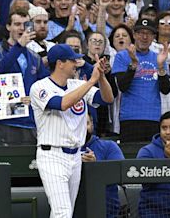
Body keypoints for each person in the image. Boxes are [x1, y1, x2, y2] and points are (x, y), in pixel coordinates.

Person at [30, 44, 113, 217]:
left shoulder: (77, 84)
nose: (77, 63)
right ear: (60, 63)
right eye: (72, 60)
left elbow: (107, 99)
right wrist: (91, 81)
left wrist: (101, 77)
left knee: (64, 212)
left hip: (76, 155)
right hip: (52, 155)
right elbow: (61, 104)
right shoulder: (39, 87)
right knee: (63, 212)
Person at [0, 9, 49, 145]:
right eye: (17, 24)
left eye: (25, 24)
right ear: (8, 27)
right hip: (6, 122)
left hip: (30, 123)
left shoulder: (35, 57)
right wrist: (19, 46)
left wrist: (34, 98)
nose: (22, 28)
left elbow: (44, 86)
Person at [111, 18, 170, 143]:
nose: (144, 37)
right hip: (130, 118)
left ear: (153, 37)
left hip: (153, 118)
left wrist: (160, 67)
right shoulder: (122, 56)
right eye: (140, 33)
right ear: (134, 35)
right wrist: (133, 64)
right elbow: (122, 87)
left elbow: (165, 90)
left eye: (148, 34)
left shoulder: (158, 57)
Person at [80, 114, 124, 218]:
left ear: (92, 125)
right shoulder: (63, 151)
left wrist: (96, 166)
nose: (82, 128)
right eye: (78, 124)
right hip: (74, 210)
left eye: (86, 123)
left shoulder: (109, 146)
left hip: (106, 211)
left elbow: (120, 174)